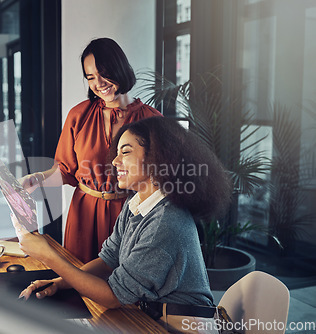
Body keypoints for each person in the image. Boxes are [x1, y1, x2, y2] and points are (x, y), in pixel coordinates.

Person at [13, 117, 232, 333]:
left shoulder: (165, 222)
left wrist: (49, 256)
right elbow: (108, 260)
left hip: (183, 327)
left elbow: (113, 296)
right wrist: (60, 282)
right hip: (150, 315)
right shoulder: (135, 202)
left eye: (125, 152)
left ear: (158, 157)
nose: (115, 161)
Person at [20, 37, 162, 263]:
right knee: (77, 282)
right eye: (90, 78)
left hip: (131, 214)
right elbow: (65, 170)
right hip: (83, 214)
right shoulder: (79, 115)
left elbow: (161, 180)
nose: (99, 83)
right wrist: (37, 179)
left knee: (123, 288)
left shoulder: (152, 120)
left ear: (120, 69)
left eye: (104, 73)